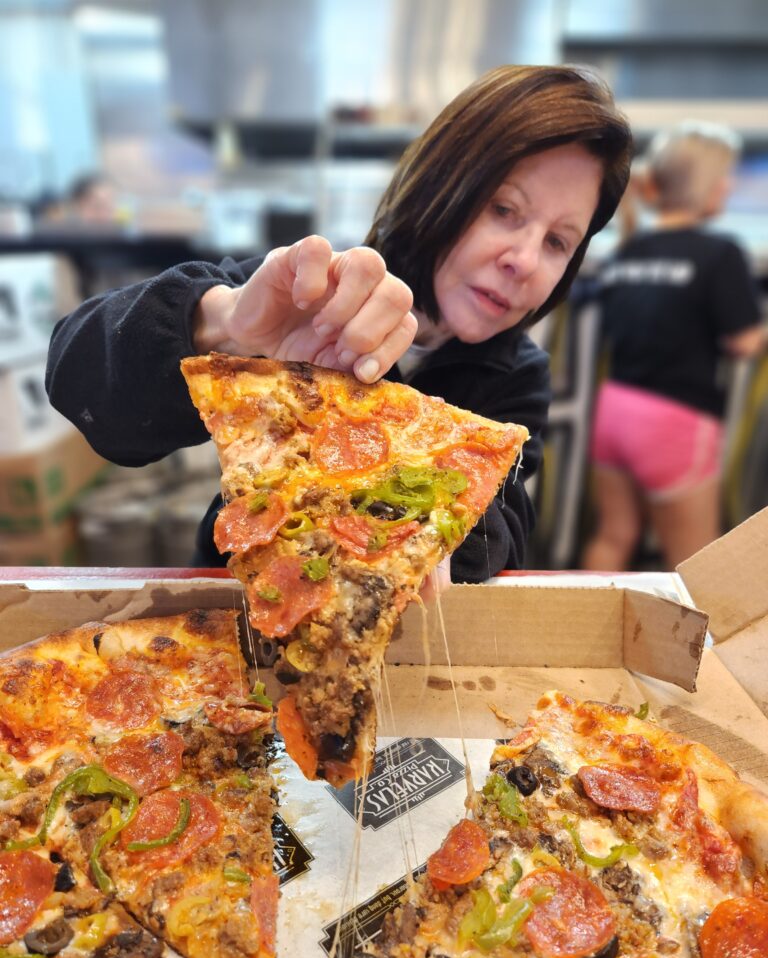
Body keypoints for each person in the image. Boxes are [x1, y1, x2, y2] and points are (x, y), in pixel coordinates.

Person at [47, 64, 632, 582]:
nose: (524, 261)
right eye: (504, 210)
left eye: (558, 241)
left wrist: (429, 536)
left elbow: (506, 526)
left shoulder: (516, 372)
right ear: (441, 186)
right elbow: (78, 376)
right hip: (235, 633)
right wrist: (224, 326)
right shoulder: (314, 291)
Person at [583, 121, 766, 572]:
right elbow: (743, 343)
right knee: (696, 563)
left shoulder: (628, 250)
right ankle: (706, 648)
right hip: (674, 423)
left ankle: (577, 635)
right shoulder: (720, 253)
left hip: (615, 414)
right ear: (712, 188)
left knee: (612, 537)